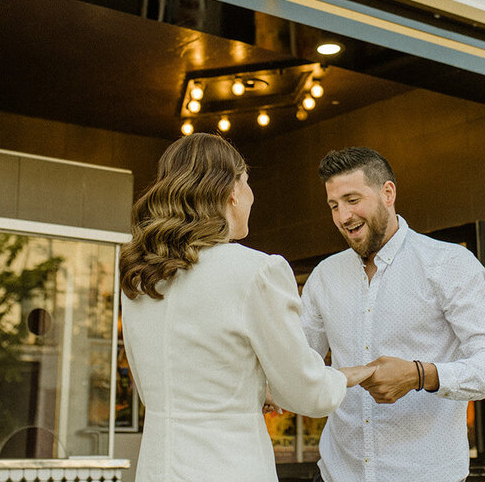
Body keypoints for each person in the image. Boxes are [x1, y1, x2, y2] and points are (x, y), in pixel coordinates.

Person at [119, 133, 371, 482]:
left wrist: (252, 388)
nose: (251, 196)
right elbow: (305, 392)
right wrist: (350, 375)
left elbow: (161, 386)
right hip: (229, 467)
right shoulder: (257, 271)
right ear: (232, 191)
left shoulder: (139, 276)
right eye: (247, 183)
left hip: (156, 469)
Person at [301, 146, 485, 482]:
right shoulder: (324, 276)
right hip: (337, 474)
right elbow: (301, 363)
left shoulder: (449, 264)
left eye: (353, 200)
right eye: (334, 205)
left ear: (388, 193)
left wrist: (420, 375)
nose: (343, 216)